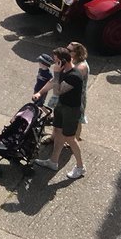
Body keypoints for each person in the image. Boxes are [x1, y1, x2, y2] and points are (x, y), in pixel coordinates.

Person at [34, 46, 86, 178]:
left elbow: (57, 91)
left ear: (63, 61)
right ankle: (53, 161)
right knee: (57, 131)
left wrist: (56, 72)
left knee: (70, 138)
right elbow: (52, 82)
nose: (54, 64)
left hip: (71, 110)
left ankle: (80, 167)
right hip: (61, 106)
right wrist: (40, 93)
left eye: (56, 61)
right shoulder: (63, 70)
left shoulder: (74, 76)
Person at [67, 41, 90, 140]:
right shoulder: (73, 60)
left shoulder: (82, 66)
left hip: (78, 97)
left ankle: (76, 138)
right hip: (69, 95)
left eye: (69, 50)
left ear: (76, 52)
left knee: (77, 119)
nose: (66, 51)